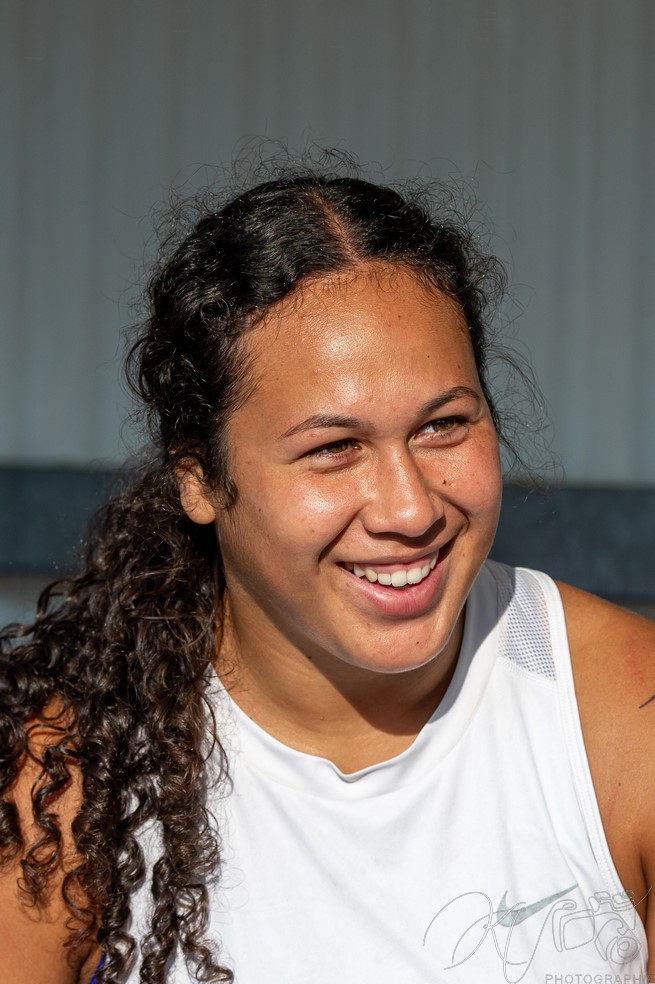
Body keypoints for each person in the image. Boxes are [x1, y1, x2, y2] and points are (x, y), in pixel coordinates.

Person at [1, 163, 653, 984]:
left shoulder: (626, 722)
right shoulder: (67, 779)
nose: (408, 509)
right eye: (332, 448)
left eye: (443, 425)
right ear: (199, 478)